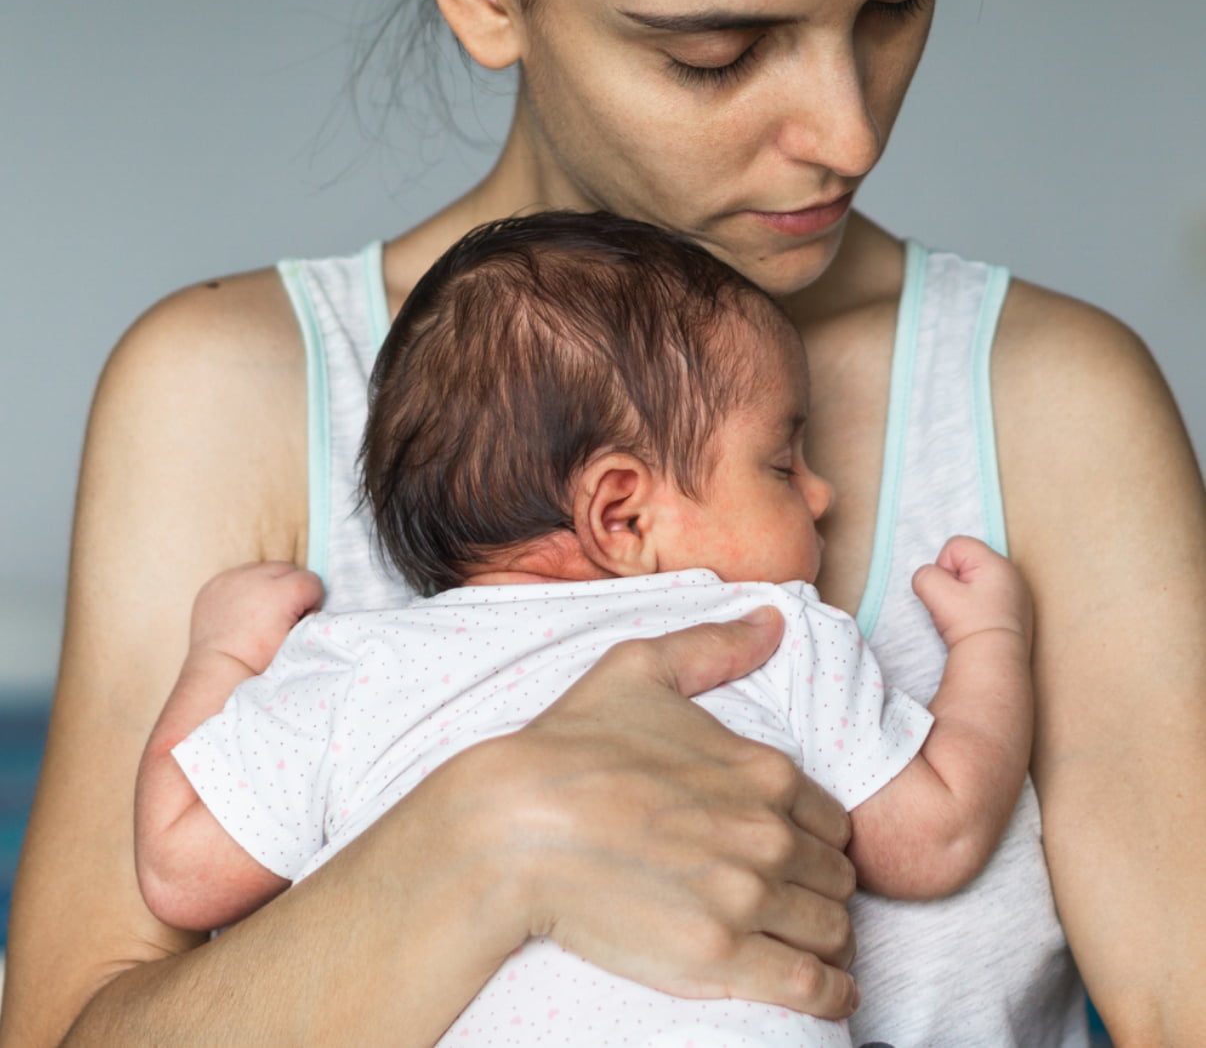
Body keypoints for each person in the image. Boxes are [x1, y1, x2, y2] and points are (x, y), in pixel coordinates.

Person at [3, 0, 1203, 1044]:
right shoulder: (231, 393)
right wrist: (486, 844)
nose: (847, 132)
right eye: (717, 53)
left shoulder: (1045, 403)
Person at [133, 212, 1034, 1048]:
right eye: (780, 463)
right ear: (623, 516)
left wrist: (221, 655)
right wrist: (993, 644)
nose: (821, 495)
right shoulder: (765, 630)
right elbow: (937, 835)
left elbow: (181, 869)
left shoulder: (353, 666)